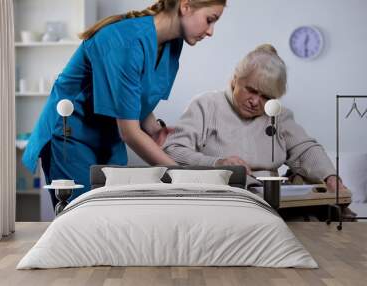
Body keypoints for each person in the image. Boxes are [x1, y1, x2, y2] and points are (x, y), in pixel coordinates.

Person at [22, 0, 226, 207]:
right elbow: (129, 132)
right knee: (82, 215)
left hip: (109, 136)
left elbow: (135, 97)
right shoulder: (123, 41)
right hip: (72, 134)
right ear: (186, 6)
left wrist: (155, 130)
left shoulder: (172, 43)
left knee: (113, 213)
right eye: (210, 20)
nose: (210, 32)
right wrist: (185, 178)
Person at [163, 44, 348, 194]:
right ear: (235, 80)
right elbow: (172, 150)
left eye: (266, 97)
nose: (254, 102)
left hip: (270, 195)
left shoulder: (279, 115)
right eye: (250, 90)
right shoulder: (206, 104)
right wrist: (217, 163)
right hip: (224, 193)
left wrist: (330, 176)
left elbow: (305, 149)